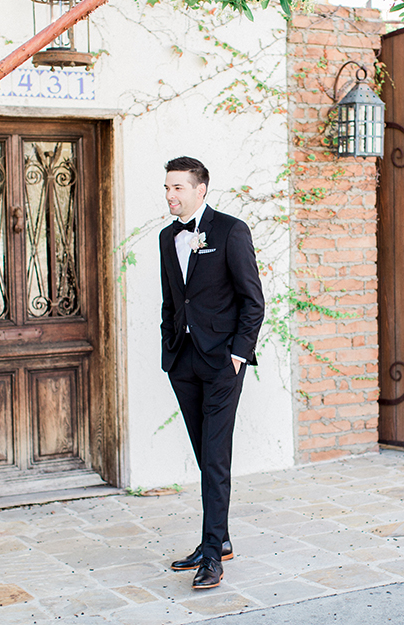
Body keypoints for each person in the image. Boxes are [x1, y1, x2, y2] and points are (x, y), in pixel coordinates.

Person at [159, 156, 265, 589]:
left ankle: (212, 557)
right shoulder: (169, 238)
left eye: (178, 187)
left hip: (222, 361)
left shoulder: (230, 230)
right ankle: (217, 541)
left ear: (200, 189)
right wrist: (169, 348)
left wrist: (238, 354)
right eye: (167, 187)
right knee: (206, 456)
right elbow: (172, 299)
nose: (170, 194)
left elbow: (252, 300)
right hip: (183, 360)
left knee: (215, 457)